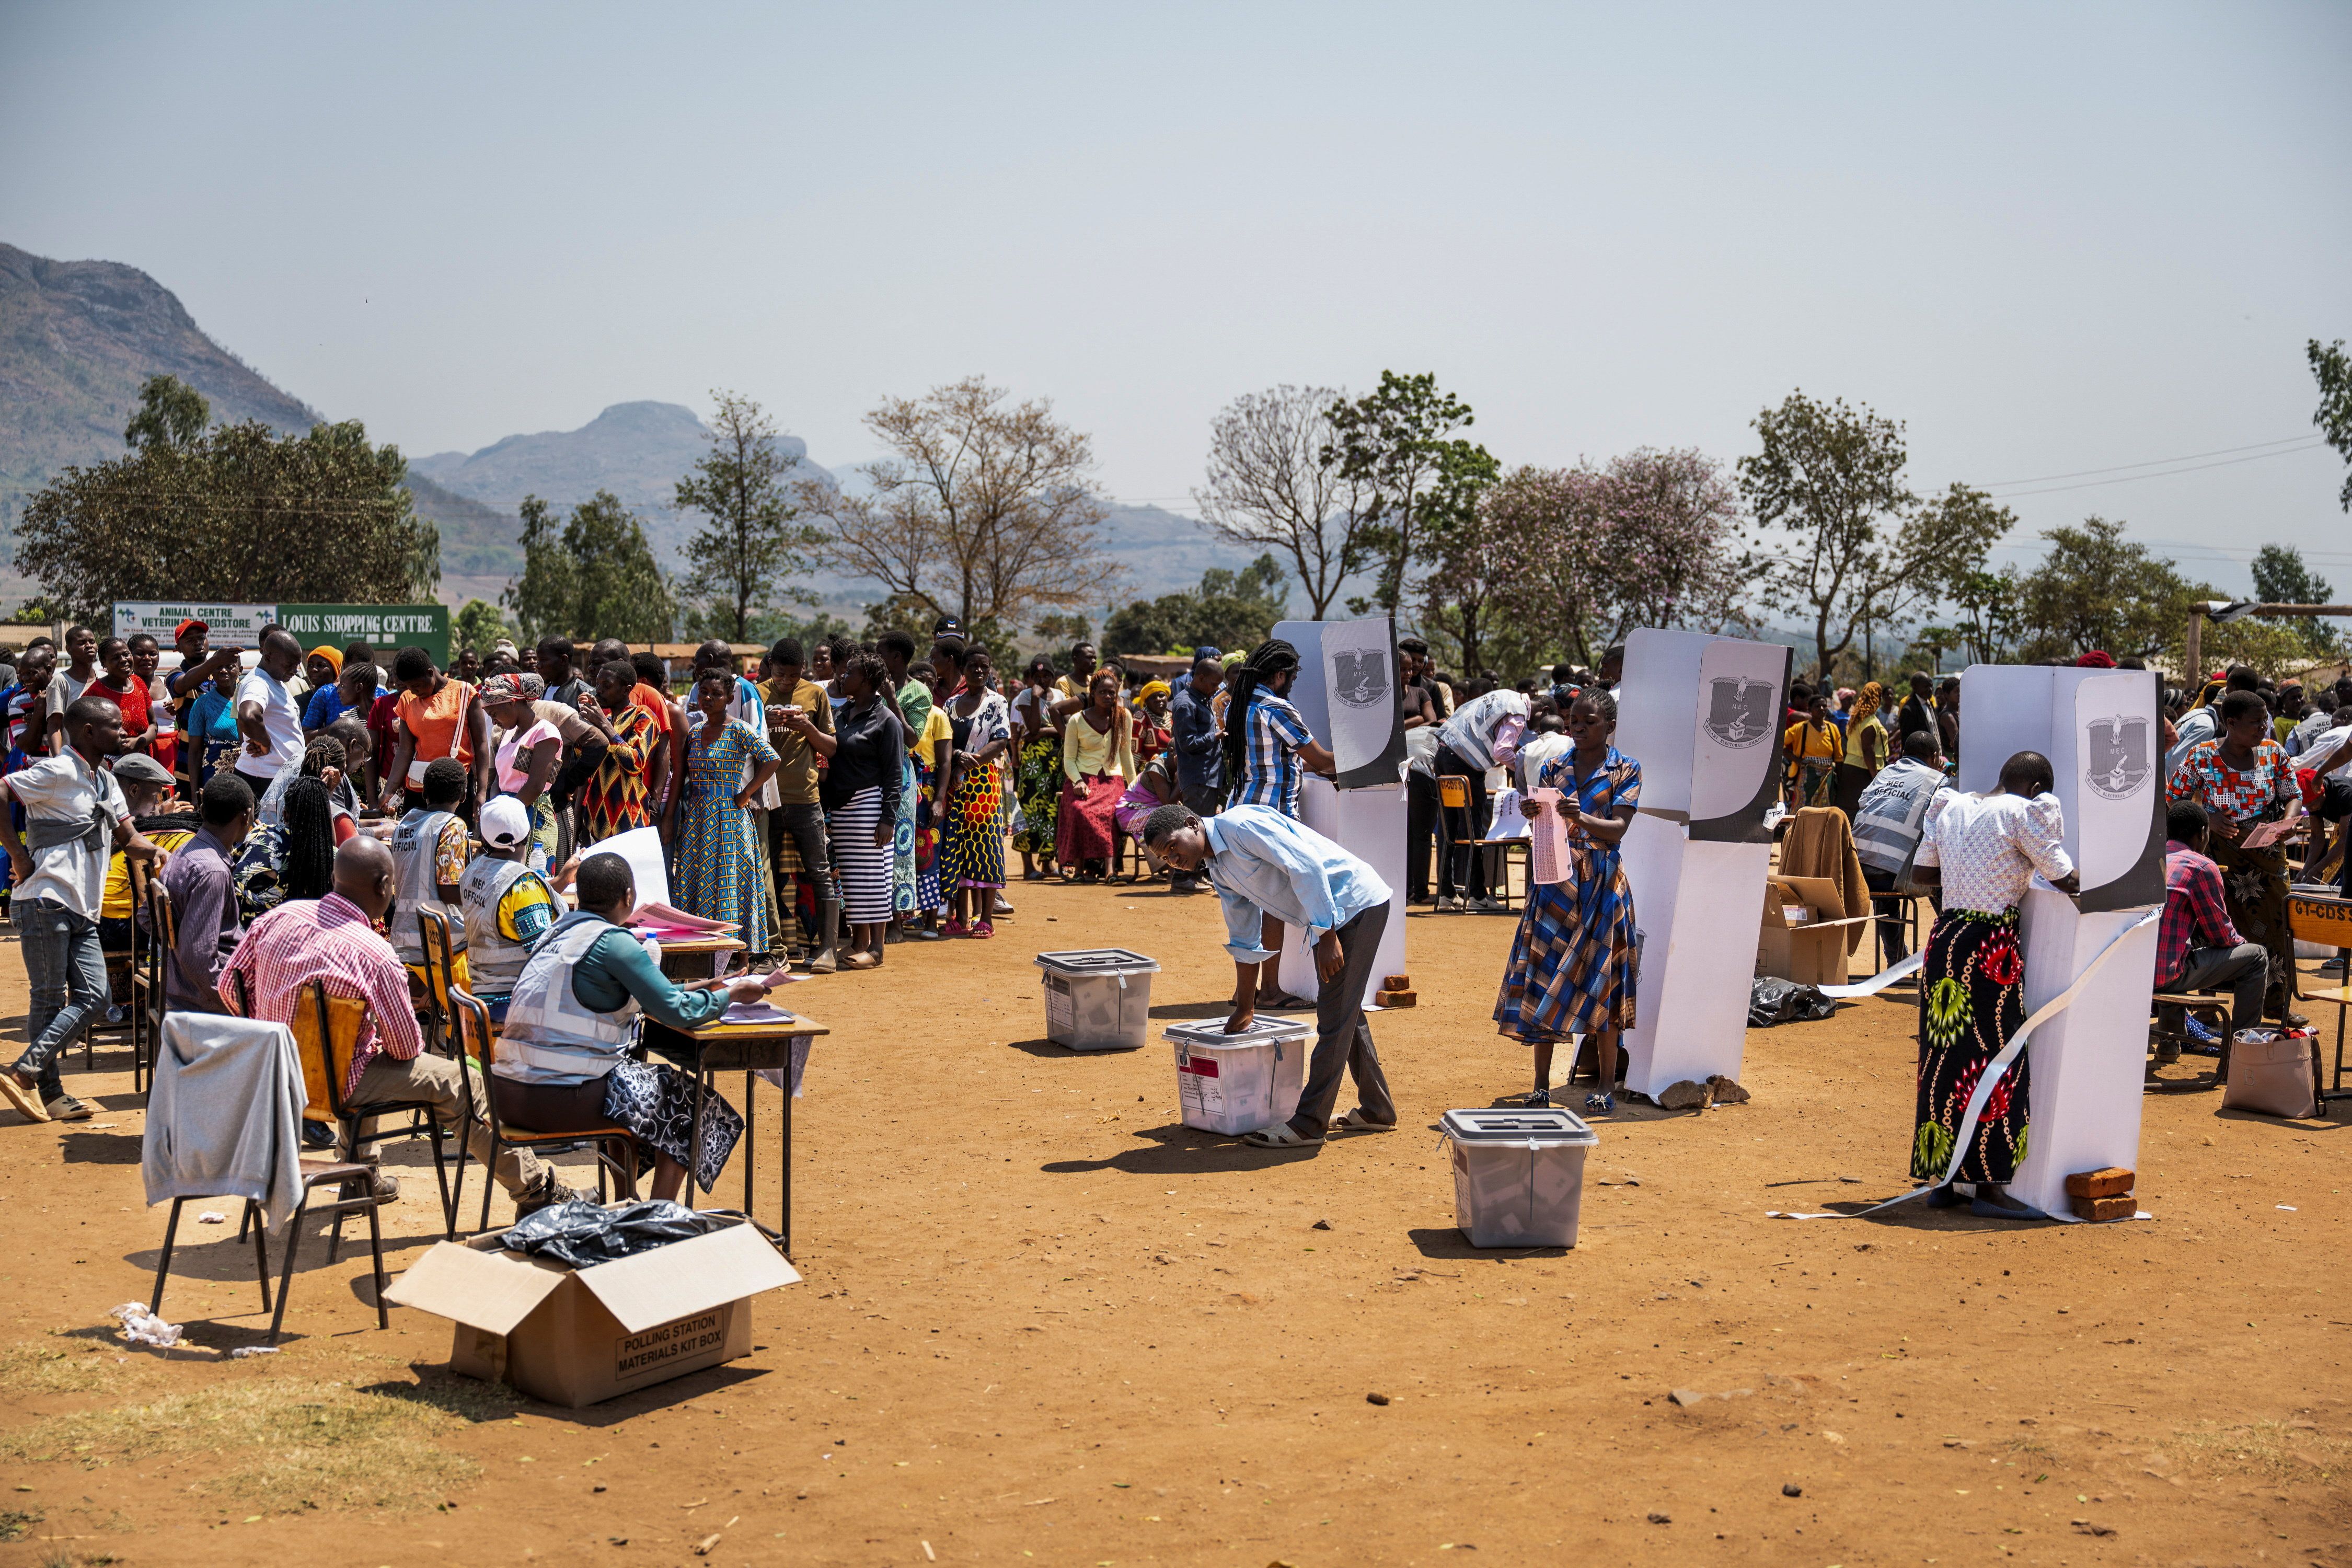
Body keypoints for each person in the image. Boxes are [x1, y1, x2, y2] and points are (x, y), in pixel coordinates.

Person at [223, 836, 583, 1214]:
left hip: (275, 1073)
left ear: (335, 877)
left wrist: (277, 1036)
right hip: (337, 1084)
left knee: (361, 1054)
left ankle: (360, 1177)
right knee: (463, 1083)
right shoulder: (374, 953)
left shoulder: (278, 918)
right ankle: (535, 1191)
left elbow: (231, 986)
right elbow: (406, 1048)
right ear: (384, 887)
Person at [494, 851, 769, 1201]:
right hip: (557, 1100)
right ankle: (655, 1215)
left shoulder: (556, 933)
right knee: (692, 1104)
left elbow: (652, 995)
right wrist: (731, 995)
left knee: (629, 1083)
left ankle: (627, 1200)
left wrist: (704, 987)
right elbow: (678, 1013)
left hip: (508, 1094)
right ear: (628, 897)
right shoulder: (614, 942)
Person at [1143, 801, 1397, 1150]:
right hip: (1334, 917)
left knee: (1334, 1019)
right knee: (1344, 1011)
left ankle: (1308, 1125)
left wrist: (1327, 936)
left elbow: (1305, 865)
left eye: (1174, 847)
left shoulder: (1241, 826)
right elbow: (1244, 936)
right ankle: (1377, 1109)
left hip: (1354, 905)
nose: (1174, 859)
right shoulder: (1218, 868)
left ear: (1192, 824)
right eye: (1165, 857)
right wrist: (1245, 1006)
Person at [1907, 750, 2080, 1219]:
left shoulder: (1952, 805)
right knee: (1996, 1059)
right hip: (1989, 951)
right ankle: (1989, 1188)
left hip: (1946, 940)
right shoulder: (2025, 812)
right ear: (2038, 789)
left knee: (1944, 1061)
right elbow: (2064, 877)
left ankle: (1945, 1182)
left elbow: (1921, 875)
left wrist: (1967, 871)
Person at [0, 695, 171, 1122]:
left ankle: (25, 1071)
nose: (124, 731)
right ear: (90, 732)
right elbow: (1, 792)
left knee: (96, 998)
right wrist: (18, 855)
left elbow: (128, 839)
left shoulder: (106, 781)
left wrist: (156, 852)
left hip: (83, 907)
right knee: (48, 999)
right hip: (46, 899)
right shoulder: (58, 771)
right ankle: (49, 1093)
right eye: (115, 726)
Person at [1494, 691, 1642, 1112]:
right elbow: (1547, 825)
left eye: (1589, 721)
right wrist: (1533, 812)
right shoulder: (1553, 767)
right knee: (1544, 974)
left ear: (1609, 726)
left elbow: (1618, 829)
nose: (1578, 727)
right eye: (1574, 720)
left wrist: (1582, 818)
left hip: (1602, 884)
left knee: (1604, 982)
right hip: (1556, 881)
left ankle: (1606, 1085)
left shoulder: (1626, 769)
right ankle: (1541, 1085)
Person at [2166, 688, 2305, 1025]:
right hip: (2218, 856)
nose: (2263, 727)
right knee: (2210, 927)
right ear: (2231, 723)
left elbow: (2293, 795)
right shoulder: (2202, 756)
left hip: (2267, 854)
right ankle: (2207, 1006)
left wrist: (2288, 822)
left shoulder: (2274, 753)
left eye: (2265, 721)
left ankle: (2275, 1003)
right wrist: (2206, 817)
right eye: (2256, 722)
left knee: (2276, 925)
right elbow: (2173, 799)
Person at [667, 668, 782, 957]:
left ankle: (740, 957)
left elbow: (772, 759)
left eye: (716, 694)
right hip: (698, 819)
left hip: (730, 818)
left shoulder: (740, 729)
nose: (708, 698)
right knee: (697, 879)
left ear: (730, 698)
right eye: (704, 693)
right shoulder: (695, 732)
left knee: (733, 880)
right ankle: (702, 952)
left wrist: (747, 793)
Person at [2152, 798, 2270, 1065]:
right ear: (2203, 833)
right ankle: (2241, 1054)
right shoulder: (2201, 867)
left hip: (2131, 972)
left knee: (2172, 947)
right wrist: (2241, 945)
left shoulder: (2148, 860)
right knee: (2257, 957)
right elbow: (2221, 935)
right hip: (2164, 976)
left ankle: (2169, 1043)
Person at [759, 638, 840, 971]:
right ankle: (772, 949)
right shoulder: (756, 694)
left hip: (806, 798)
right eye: (780, 675)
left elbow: (831, 748)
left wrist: (806, 726)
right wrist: (764, 722)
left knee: (819, 871)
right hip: (767, 799)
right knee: (765, 873)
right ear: (770, 667)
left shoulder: (815, 695)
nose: (786, 681)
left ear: (803, 669)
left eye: (793, 676)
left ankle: (828, 949)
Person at [823, 651, 905, 968]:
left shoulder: (887, 721)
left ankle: (877, 949)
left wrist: (887, 819)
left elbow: (894, 775)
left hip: (869, 805)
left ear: (868, 681)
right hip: (843, 807)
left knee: (872, 878)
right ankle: (859, 942)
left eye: (850, 673)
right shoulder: (842, 714)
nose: (843, 677)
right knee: (852, 879)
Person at [1852, 729, 1950, 969]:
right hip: (1893, 874)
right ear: (1935, 757)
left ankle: (1896, 960)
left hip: (1858, 869)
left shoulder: (1885, 773)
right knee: (1942, 880)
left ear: (1904, 753)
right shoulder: (1937, 780)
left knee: (1886, 893)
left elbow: (1863, 802)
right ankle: (1954, 944)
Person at [1430, 673, 1527, 912]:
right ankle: (1478, 895)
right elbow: (1503, 751)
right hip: (1465, 763)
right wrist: (1524, 770)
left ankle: (1445, 893)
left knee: (1448, 829)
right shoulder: (1518, 714)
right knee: (1472, 831)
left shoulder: (1500, 698)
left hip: (1443, 756)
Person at [460, 794, 562, 1020]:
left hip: (480, 993)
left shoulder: (472, 871)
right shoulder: (523, 886)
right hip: (514, 999)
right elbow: (545, 957)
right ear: (527, 834)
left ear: (484, 837)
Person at [162, 771, 256, 1013]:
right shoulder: (213, 872)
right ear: (246, 816)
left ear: (202, 810)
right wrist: (234, 1004)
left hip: (181, 984)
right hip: (204, 998)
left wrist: (180, 937)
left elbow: (146, 917)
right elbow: (198, 959)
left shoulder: (183, 851)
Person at [940, 647, 1012, 938]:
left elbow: (1001, 741)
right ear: (963, 669)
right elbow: (944, 740)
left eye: (985, 666)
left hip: (984, 783)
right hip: (955, 783)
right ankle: (960, 917)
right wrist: (958, 757)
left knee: (986, 846)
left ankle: (986, 919)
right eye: (973, 666)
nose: (979, 671)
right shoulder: (951, 704)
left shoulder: (997, 702)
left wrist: (971, 761)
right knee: (956, 845)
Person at [387, 756, 472, 993]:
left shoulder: (404, 825)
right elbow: (448, 891)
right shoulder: (453, 826)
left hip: (403, 939)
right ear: (464, 796)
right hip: (441, 943)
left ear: (424, 793)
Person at [1224, 639, 1335, 821]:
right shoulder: (1276, 709)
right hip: (1272, 815)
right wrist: (1364, 763)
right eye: (1293, 679)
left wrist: (1306, 766)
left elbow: (1265, 762)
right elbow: (1323, 762)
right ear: (1280, 675)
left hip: (1238, 811)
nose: (1291, 686)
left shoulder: (1235, 708)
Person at [383, 646, 489, 813]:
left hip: (456, 789)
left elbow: (481, 744)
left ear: (430, 673)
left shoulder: (465, 693)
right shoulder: (407, 699)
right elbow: (404, 750)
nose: (414, 692)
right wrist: (388, 791)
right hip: (419, 787)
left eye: (417, 686)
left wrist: (482, 791)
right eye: (409, 688)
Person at [1058, 667, 1137, 882]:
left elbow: (1126, 754)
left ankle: (1110, 871)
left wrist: (1134, 787)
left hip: (1112, 780)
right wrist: (1078, 781)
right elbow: (1069, 759)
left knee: (1111, 811)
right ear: (1093, 693)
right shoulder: (1077, 720)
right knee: (1078, 810)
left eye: (1112, 692)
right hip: (1082, 778)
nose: (1108, 696)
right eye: (1103, 692)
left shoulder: (1124, 717)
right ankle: (1078, 871)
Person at [573, 658, 662, 844]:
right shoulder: (603, 719)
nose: (599, 690)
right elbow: (584, 762)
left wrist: (604, 725)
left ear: (626, 690)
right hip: (595, 821)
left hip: (628, 821)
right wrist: (582, 725)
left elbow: (635, 763)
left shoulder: (643, 715)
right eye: (598, 684)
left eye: (607, 685)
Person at [480, 673, 564, 869]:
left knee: (530, 877)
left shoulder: (545, 733)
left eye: (494, 714)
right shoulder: (508, 733)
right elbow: (499, 780)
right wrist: (496, 811)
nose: (494, 722)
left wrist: (505, 817)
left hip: (532, 815)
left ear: (511, 703)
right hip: (507, 813)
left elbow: (535, 786)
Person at [233, 626, 308, 795]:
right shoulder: (258, 683)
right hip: (264, 779)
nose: (295, 670)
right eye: (289, 665)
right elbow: (248, 715)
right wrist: (265, 742)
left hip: (274, 777)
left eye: (297, 664)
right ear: (268, 658)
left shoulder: (274, 680)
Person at [1010, 655, 1064, 880]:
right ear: (1032, 678)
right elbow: (1032, 727)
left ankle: (1048, 864)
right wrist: (1035, 698)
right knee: (1030, 808)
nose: (1043, 680)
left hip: (1056, 758)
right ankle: (1028, 867)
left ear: (1053, 676)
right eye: (1038, 676)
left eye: (1047, 675)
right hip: (1034, 762)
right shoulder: (1025, 696)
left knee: (1052, 809)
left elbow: (1064, 729)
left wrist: (1043, 732)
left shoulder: (1060, 696)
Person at [42, 624, 100, 754]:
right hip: (72, 758)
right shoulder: (61, 682)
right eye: (81, 643)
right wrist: (59, 759)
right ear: (69, 650)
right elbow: (55, 725)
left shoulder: (103, 678)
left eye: (92, 642)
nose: (89, 646)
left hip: (102, 758)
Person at [1835, 681, 1889, 817]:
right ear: (1878, 698)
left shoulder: (1857, 719)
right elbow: (1867, 750)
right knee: (1863, 812)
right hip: (1865, 771)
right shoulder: (1870, 721)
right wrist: (1875, 777)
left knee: (1850, 811)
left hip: (1851, 768)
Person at [92, 638, 153, 757]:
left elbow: (154, 725)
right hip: (109, 763)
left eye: (126, 654)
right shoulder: (96, 692)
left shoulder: (139, 683)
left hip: (143, 759)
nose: (123, 660)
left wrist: (137, 742)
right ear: (104, 662)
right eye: (116, 658)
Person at [187, 662, 244, 787]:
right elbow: (195, 752)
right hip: (215, 779)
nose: (223, 671)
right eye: (218, 667)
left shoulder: (249, 700)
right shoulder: (202, 704)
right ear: (212, 672)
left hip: (248, 775)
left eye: (229, 666)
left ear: (240, 670)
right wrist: (194, 792)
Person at [1784, 689, 1841, 809]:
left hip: (1827, 778)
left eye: (1824, 706)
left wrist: (1840, 782)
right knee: (1802, 810)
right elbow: (1781, 744)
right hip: (1807, 778)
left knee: (1824, 812)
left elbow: (1839, 758)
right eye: (1817, 706)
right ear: (1810, 709)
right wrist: (1797, 760)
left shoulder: (1833, 729)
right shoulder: (1801, 728)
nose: (1822, 709)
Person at [298, 647, 345, 733]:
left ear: (335, 670)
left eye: (321, 666)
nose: (314, 669)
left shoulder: (345, 699)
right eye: (310, 665)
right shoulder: (299, 702)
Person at [1134, 681, 1173, 770]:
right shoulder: (1141, 719)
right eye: (1153, 697)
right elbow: (1134, 753)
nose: (1158, 699)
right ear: (1146, 702)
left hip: (1171, 769)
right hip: (1148, 771)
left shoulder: (1173, 716)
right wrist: (1131, 778)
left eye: (1161, 696)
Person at [1895, 672, 1936, 751]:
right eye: (1926, 687)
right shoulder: (1909, 710)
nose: (1930, 690)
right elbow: (1907, 741)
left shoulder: (1930, 704)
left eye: (1931, 686)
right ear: (1915, 687)